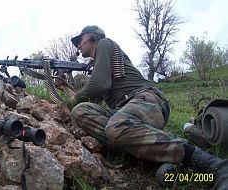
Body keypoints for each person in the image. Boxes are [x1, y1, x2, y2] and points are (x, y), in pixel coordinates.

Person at [68, 25, 228, 189]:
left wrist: (73, 98)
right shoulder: (100, 65)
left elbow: (99, 84)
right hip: (123, 109)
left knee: (116, 127)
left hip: (147, 99)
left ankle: (215, 166)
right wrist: (67, 92)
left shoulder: (104, 44)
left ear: (93, 37)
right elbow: (90, 100)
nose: (78, 46)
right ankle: (154, 155)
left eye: (79, 40)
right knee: (81, 111)